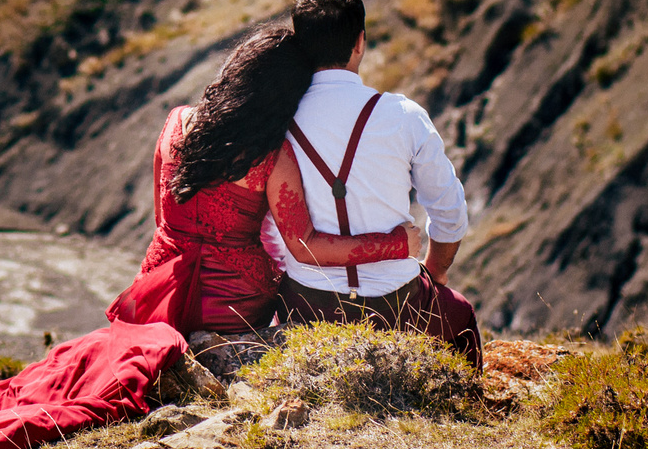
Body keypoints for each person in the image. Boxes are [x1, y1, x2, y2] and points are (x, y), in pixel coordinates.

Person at [107, 23, 422, 347]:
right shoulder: (272, 156)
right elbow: (306, 245)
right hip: (232, 307)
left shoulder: (175, 122)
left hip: (156, 295)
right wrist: (397, 244)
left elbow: (163, 220)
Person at [270, 0, 482, 363]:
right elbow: (450, 214)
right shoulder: (405, 116)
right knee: (460, 313)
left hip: (308, 308)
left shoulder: (277, 121)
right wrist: (435, 274)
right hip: (397, 306)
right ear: (360, 42)